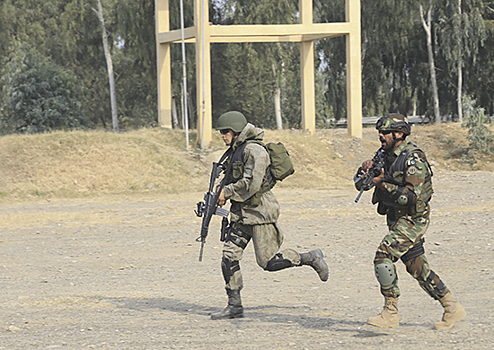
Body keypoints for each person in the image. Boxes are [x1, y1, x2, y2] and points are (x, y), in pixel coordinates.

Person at [210, 111, 329, 320]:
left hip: (259, 213)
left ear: (236, 130)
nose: (221, 135)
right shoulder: (236, 150)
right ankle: (235, 306)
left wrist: (227, 192)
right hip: (242, 214)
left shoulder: (255, 151)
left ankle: (310, 258)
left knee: (269, 262)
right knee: (228, 257)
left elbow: (251, 185)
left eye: (224, 131)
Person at [355, 114, 466, 330]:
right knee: (417, 267)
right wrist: (365, 172)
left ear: (399, 134)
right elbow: (360, 184)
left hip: (413, 219)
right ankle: (452, 307)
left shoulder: (412, 159)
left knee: (383, 256)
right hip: (396, 219)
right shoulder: (383, 155)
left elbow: (412, 197)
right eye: (380, 131)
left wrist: (382, 184)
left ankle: (390, 312)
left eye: (385, 132)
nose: (380, 135)